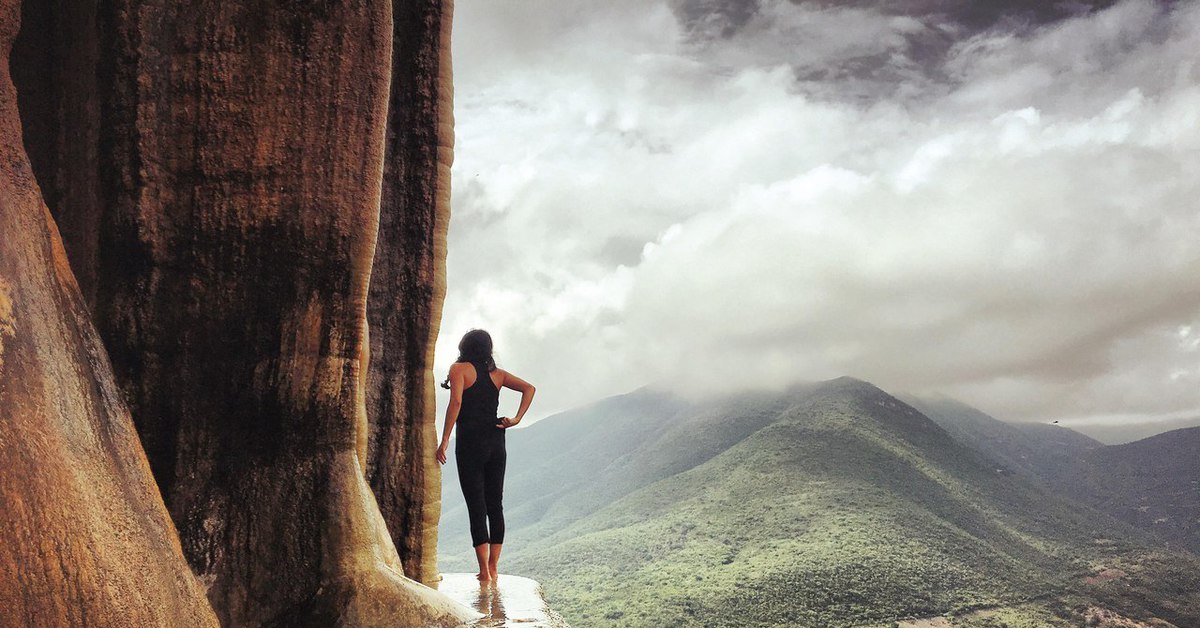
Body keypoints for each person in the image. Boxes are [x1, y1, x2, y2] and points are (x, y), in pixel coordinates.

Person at [436, 329, 535, 584]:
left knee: (476, 506)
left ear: (464, 346)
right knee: (495, 504)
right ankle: (494, 566)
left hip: (470, 443)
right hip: (496, 441)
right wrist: (516, 419)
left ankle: (483, 571)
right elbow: (529, 388)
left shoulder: (459, 369)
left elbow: (456, 403)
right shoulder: (498, 375)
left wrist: (445, 439)